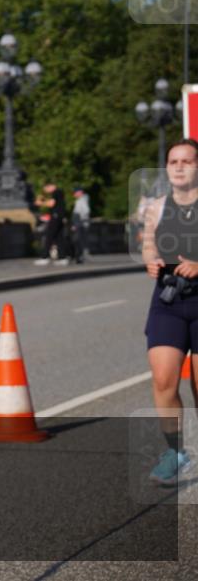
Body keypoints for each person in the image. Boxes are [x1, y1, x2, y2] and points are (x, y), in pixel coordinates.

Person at [141, 139, 198, 485]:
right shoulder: (156, 207)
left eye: (187, 161)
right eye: (173, 161)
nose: (178, 166)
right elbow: (148, 241)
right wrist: (151, 258)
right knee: (164, 379)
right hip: (168, 301)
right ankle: (177, 453)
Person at [34, 183, 68, 266]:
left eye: (45, 189)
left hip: (55, 217)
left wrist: (40, 203)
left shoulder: (56, 192)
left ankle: (45, 257)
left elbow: (51, 203)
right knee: (59, 237)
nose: (46, 191)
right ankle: (62, 258)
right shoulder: (60, 192)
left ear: (49, 186)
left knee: (49, 236)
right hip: (60, 217)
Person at [70, 186, 91, 264]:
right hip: (81, 222)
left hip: (80, 223)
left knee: (78, 240)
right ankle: (79, 257)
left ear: (80, 192)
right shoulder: (83, 199)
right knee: (79, 240)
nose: (74, 194)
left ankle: (79, 257)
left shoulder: (82, 200)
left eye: (75, 192)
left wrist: (79, 222)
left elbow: (86, 211)